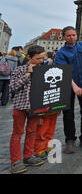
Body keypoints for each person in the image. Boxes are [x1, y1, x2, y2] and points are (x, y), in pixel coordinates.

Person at [9, 45, 46, 174]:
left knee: (32, 132)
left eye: (42, 58)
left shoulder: (43, 71)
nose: (41, 61)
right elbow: (13, 87)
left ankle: (28, 156)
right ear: (29, 57)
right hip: (20, 106)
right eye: (38, 58)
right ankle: (16, 161)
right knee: (17, 134)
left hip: (35, 108)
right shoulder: (20, 69)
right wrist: (28, 74)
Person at [54, 26, 82, 154]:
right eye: (68, 35)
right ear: (64, 37)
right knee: (68, 113)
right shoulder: (61, 53)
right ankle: (70, 140)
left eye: (73, 35)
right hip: (68, 85)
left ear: (76, 35)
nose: (71, 37)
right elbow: (63, 72)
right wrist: (75, 86)